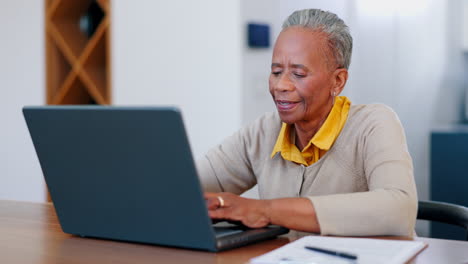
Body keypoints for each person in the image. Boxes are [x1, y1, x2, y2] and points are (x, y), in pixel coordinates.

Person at [198, 9, 417, 237]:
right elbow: (186, 188)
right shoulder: (263, 131)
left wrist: (264, 210)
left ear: (338, 81)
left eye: (298, 74)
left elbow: (399, 210)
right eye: (276, 71)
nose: (280, 85)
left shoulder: (374, 123)